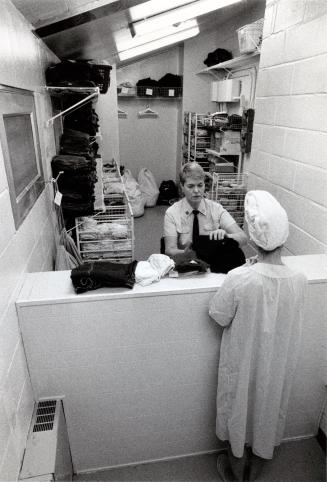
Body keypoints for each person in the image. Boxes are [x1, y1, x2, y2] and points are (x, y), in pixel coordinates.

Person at [209, 190, 308, 481]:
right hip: (277, 366)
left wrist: (243, 268)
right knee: (268, 410)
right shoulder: (299, 280)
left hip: (242, 365)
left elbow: (218, 315)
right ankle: (254, 475)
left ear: (252, 237)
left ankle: (236, 475)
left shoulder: (240, 277)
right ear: (285, 235)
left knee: (237, 412)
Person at [163, 162, 247, 263]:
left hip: (213, 263)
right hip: (185, 264)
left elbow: (243, 238)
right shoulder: (172, 213)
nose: (196, 190)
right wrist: (190, 255)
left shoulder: (216, 209)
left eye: (200, 185)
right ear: (182, 186)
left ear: (204, 185)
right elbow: (169, 250)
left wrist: (228, 236)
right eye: (190, 186)